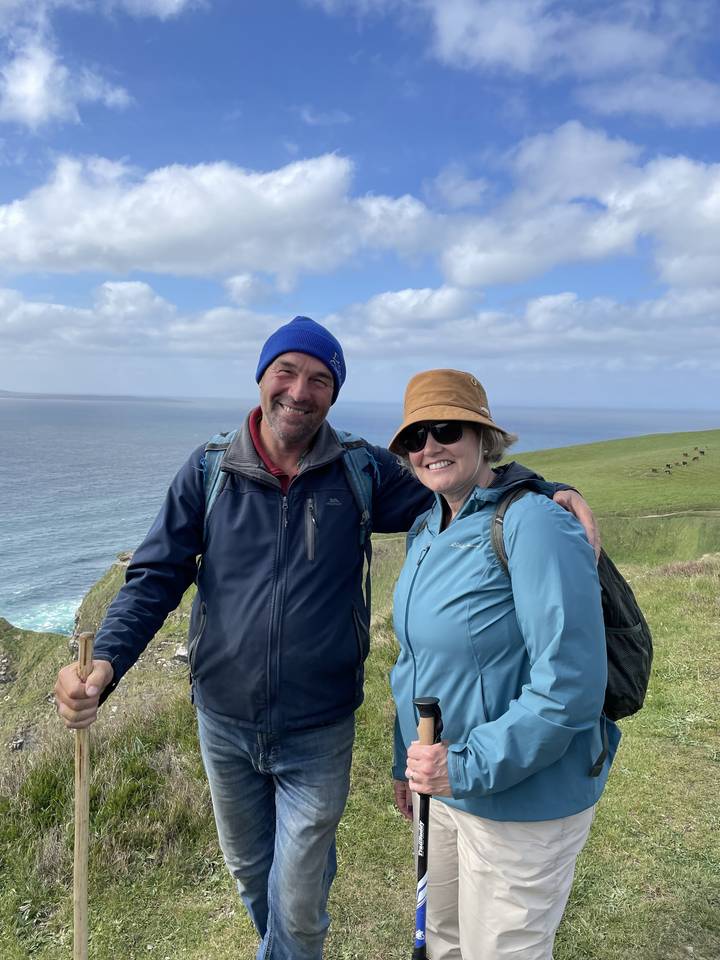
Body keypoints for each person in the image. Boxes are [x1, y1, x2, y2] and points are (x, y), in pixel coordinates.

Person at [54, 319, 599, 960]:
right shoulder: (209, 471)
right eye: (286, 371)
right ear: (261, 378)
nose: (300, 390)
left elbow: (464, 479)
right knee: (252, 878)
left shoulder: (361, 472)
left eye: (320, 379)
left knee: (299, 898)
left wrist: (549, 488)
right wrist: (107, 664)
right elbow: (155, 578)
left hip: (318, 729)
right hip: (223, 724)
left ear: (333, 396)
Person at [388, 368, 619, 960]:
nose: (430, 446)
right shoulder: (426, 528)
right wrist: (408, 764)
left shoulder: (535, 522)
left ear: (482, 436)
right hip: (443, 786)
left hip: (521, 801)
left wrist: (463, 766)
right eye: (416, 437)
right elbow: (415, 661)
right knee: (443, 940)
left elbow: (570, 684)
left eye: (447, 428)